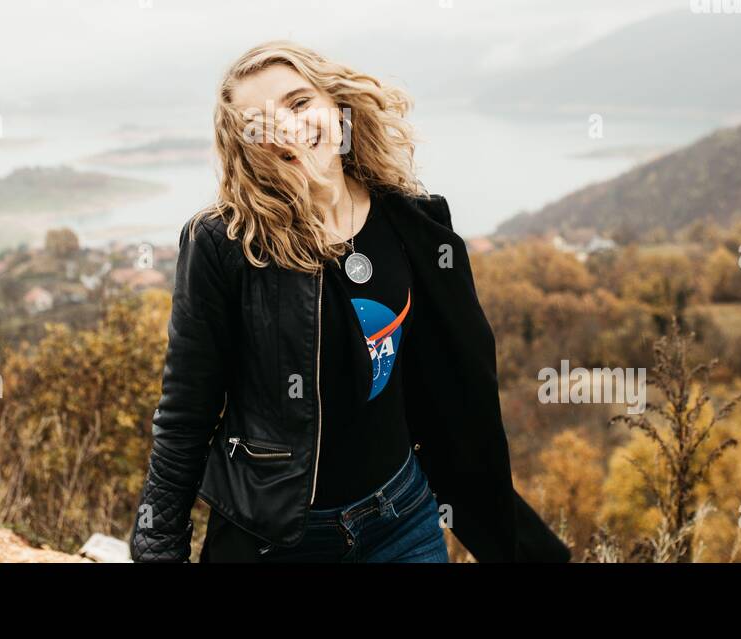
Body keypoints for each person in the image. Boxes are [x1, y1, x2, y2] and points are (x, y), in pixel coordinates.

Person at [128, 40, 570, 563]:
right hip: (279, 538)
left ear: (335, 105)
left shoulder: (409, 223)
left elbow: (452, 393)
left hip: (402, 521)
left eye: (298, 103)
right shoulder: (225, 244)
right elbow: (186, 410)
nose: (289, 127)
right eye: (262, 124)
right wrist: (159, 546)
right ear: (246, 147)